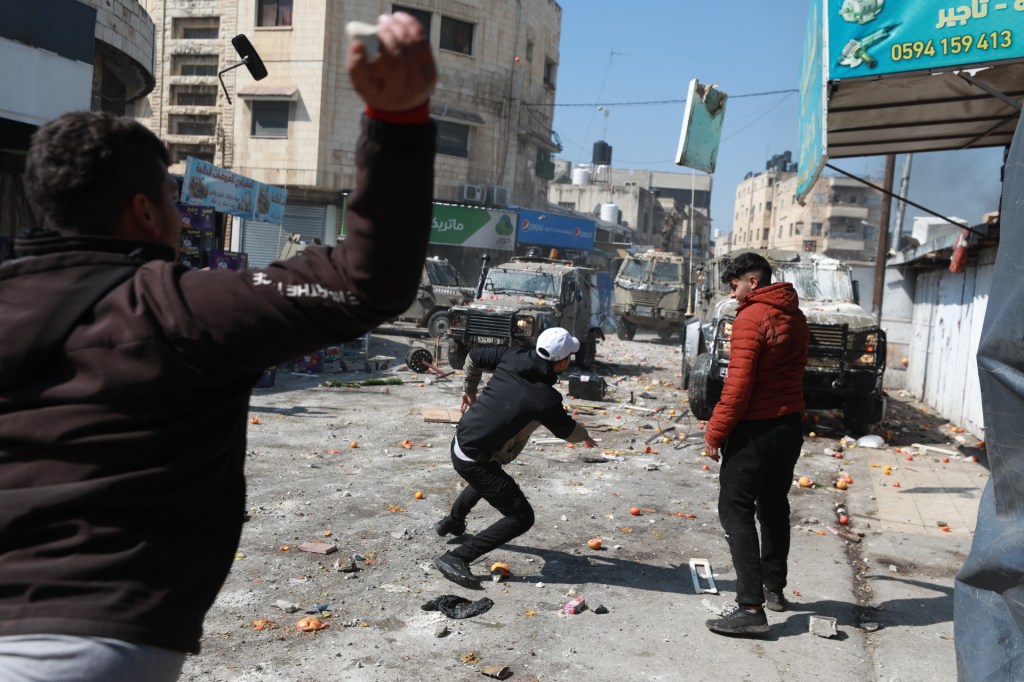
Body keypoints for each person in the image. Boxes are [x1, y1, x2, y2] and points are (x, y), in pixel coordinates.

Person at [0, 13, 435, 681]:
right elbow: (365, 282)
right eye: (173, 200)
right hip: (85, 648)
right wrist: (397, 121)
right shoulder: (175, 307)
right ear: (146, 212)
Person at [433, 328, 598, 589]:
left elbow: (474, 356)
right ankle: (456, 557)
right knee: (521, 517)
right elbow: (568, 431)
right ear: (562, 362)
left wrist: (470, 391)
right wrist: (586, 436)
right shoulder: (546, 398)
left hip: (464, 440)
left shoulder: (514, 355)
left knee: (490, 473)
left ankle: (453, 522)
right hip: (473, 457)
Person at [702, 252, 809, 636]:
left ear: (753, 281)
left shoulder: (751, 316)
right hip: (788, 426)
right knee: (774, 507)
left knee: (735, 508)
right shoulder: (795, 316)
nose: (733, 293)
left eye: (735, 285)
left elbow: (738, 384)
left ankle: (750, 608)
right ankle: (774, 588)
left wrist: (715, 432)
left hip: (755, 430)